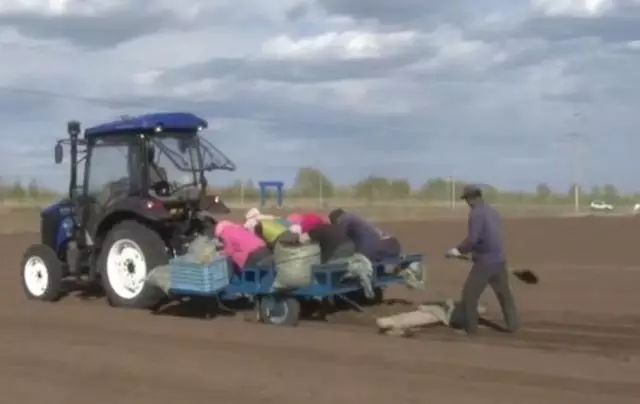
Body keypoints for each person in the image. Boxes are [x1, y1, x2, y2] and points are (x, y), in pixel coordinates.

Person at [445, 185, 520, 335]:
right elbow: (492, 235)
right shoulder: (492, 211)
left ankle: (471, 329)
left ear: (471, 199)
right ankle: (513, 325)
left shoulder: (476, 213)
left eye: (466, 199)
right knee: (504, 294)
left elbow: (473, 239)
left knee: (469, 295)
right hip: (499, 259)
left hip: (485, 263)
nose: (466, 202)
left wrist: (457, 250)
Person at [328, 208, 401, 262]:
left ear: (336, 219)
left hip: (372, 251)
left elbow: (337, 237)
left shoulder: (345, 219)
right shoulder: (356, 219)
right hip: (390, 248)